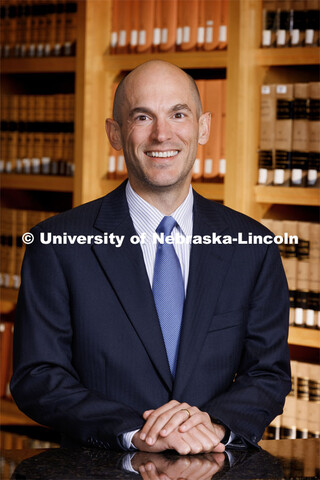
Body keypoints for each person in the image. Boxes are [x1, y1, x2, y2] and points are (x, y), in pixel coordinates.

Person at [11, 60, 291, 455]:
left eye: (179, 114)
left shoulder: (252, 245)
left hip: (212, 466)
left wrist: (212, 425)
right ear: (115, 132)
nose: (163, 134)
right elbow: (37, 377)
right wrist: (134, 431)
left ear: (203, 127)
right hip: (102, 469)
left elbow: (268, 373)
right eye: (143, 117)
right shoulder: (57, 244)